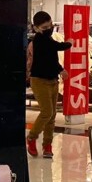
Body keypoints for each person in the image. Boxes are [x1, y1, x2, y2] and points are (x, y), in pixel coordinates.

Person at [26, 11, 71, 158]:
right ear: (37, 28)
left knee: (52, 116)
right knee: (47, 112)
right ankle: (32, 137)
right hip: (39, 80)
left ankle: (47, 145)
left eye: (50, 25)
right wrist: (70, 43)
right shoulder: (40, 40)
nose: (49, 28)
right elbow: (58, 47)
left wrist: (60, 70)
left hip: (52, 80)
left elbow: (52, 59)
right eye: (45, 27)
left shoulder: (47, 39)